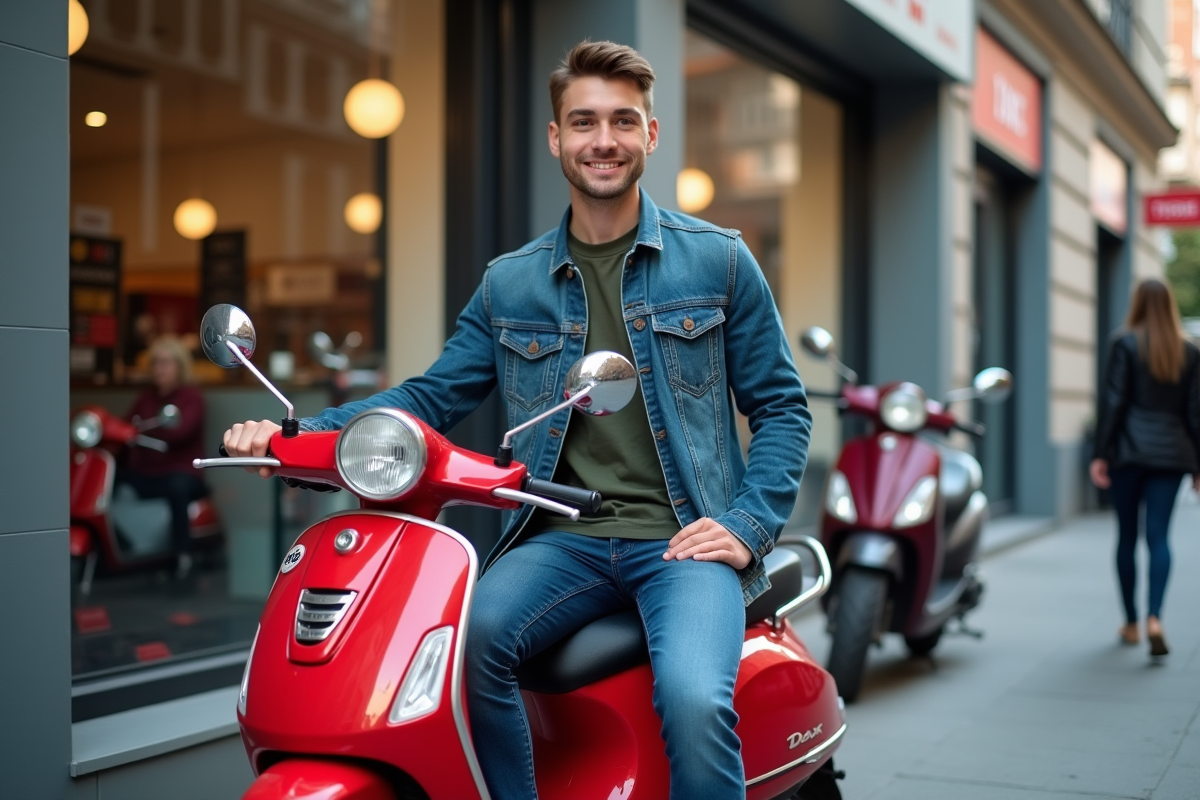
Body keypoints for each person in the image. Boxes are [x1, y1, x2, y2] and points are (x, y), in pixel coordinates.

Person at [223, 40, 810, 799]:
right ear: (555, 138)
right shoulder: (512, 282)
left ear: (651, 136)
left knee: (696, 700)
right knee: (463, 653)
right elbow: (431, 397)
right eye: (585, 122)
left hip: (682, 541)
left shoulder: (719, 261)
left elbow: (783, 409)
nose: (604, 141)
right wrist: (296, 437)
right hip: (557, 539)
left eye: (623, 122)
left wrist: (745, 524)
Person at [1090, 278, 1200, 658]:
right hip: (1172, 455)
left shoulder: (1124, 342)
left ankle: (1132, 623)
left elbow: (1114, 401)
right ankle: (1156, 617)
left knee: (1126, 537)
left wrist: (1100, 453)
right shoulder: (1188, 349)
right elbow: (1195, 412)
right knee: (1159, 538)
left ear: (1137, 303)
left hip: (1129, 454)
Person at [118, 335, 209, 580]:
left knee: (176, 488)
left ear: (180, 366)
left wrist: (144, 428)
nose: (159, 368)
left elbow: (180, 431)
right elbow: (127, 427)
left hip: (182, 473)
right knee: (114, 479)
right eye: (155, 362)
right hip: (147, 472)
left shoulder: (191, 397)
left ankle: (183, 557)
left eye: (166, 362)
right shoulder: (146, 397)